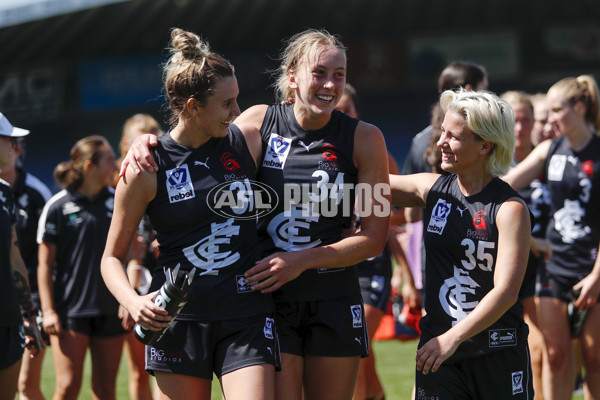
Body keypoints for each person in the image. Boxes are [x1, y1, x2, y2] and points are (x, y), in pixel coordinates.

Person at [122, 28, 391, 400]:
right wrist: (147, 144)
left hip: (333, 299)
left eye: (339, 74)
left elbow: (374, 238)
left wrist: (301, 261)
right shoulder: (259, 122)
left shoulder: (366, 138)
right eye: (320, 73)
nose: (331, 84)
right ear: (292, 76)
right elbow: (196, 140)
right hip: (270, 300)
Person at [101, 28, 280, 400]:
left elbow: (309, 118)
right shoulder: (146, 169)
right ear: (193, 106)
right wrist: (134, 302)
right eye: (227, 103)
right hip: (178, 322)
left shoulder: (247, 134)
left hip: (244, 315)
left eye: (237, 100)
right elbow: (111, 258)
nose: (236, 111)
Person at [390, 89, 534, 398]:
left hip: (497, 353)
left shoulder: (510, 209)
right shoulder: (432, 189)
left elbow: (506, 293)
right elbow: (366, 186)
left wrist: (451, 338)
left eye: (453, 137)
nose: (440, 143)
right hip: (439, 353)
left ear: (485, 146)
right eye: (442, 132)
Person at [503, 74, 600, 400]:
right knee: (555, 355)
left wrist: (597, 277)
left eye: (558, 110)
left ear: (581, 107)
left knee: (594, 360)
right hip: (554, 268)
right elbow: (504, 187)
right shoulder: (549, 150)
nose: (550, 119)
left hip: (593, 270)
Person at [337, 83, 415, 400]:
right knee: (361, 352)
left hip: (373, 266)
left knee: (354, 344)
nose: (340, 116)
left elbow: (394, 219)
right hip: (339, 267)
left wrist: (407, 275)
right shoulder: (317, 158)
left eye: (346, 110)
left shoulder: (376, 154)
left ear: (357, 113)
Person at [37, 135, 125, 400]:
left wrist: (127, 297)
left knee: (106, 389)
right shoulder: (57, 207)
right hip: (70, 313)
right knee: (67, 387)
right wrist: (49, 310)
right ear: (90, 166)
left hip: (111, 310)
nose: (116, 165)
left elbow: (132, 256)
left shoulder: (119, 201)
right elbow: (44, 264)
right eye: (110, 160)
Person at [501, 90, 550, 400]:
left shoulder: (547, 160)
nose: (520, 128)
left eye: (526, 120)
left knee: (546, 347)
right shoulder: (493, 163)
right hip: (504, 268)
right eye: (514, 120)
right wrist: (530, 240)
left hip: (547, 267)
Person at [0, 118, 52, 400]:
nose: (13, 145)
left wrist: (30, 314)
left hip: (11, 314)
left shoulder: (10, 193)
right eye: (8, 138)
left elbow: (17, 258)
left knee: (19, 390)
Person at [115, 113, 164, 400]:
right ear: (125, 144)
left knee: (163, 366)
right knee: (139, 368)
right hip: (128, 287)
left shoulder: (168, 175)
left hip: (166, 284)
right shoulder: (115, 186)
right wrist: (127, 294)